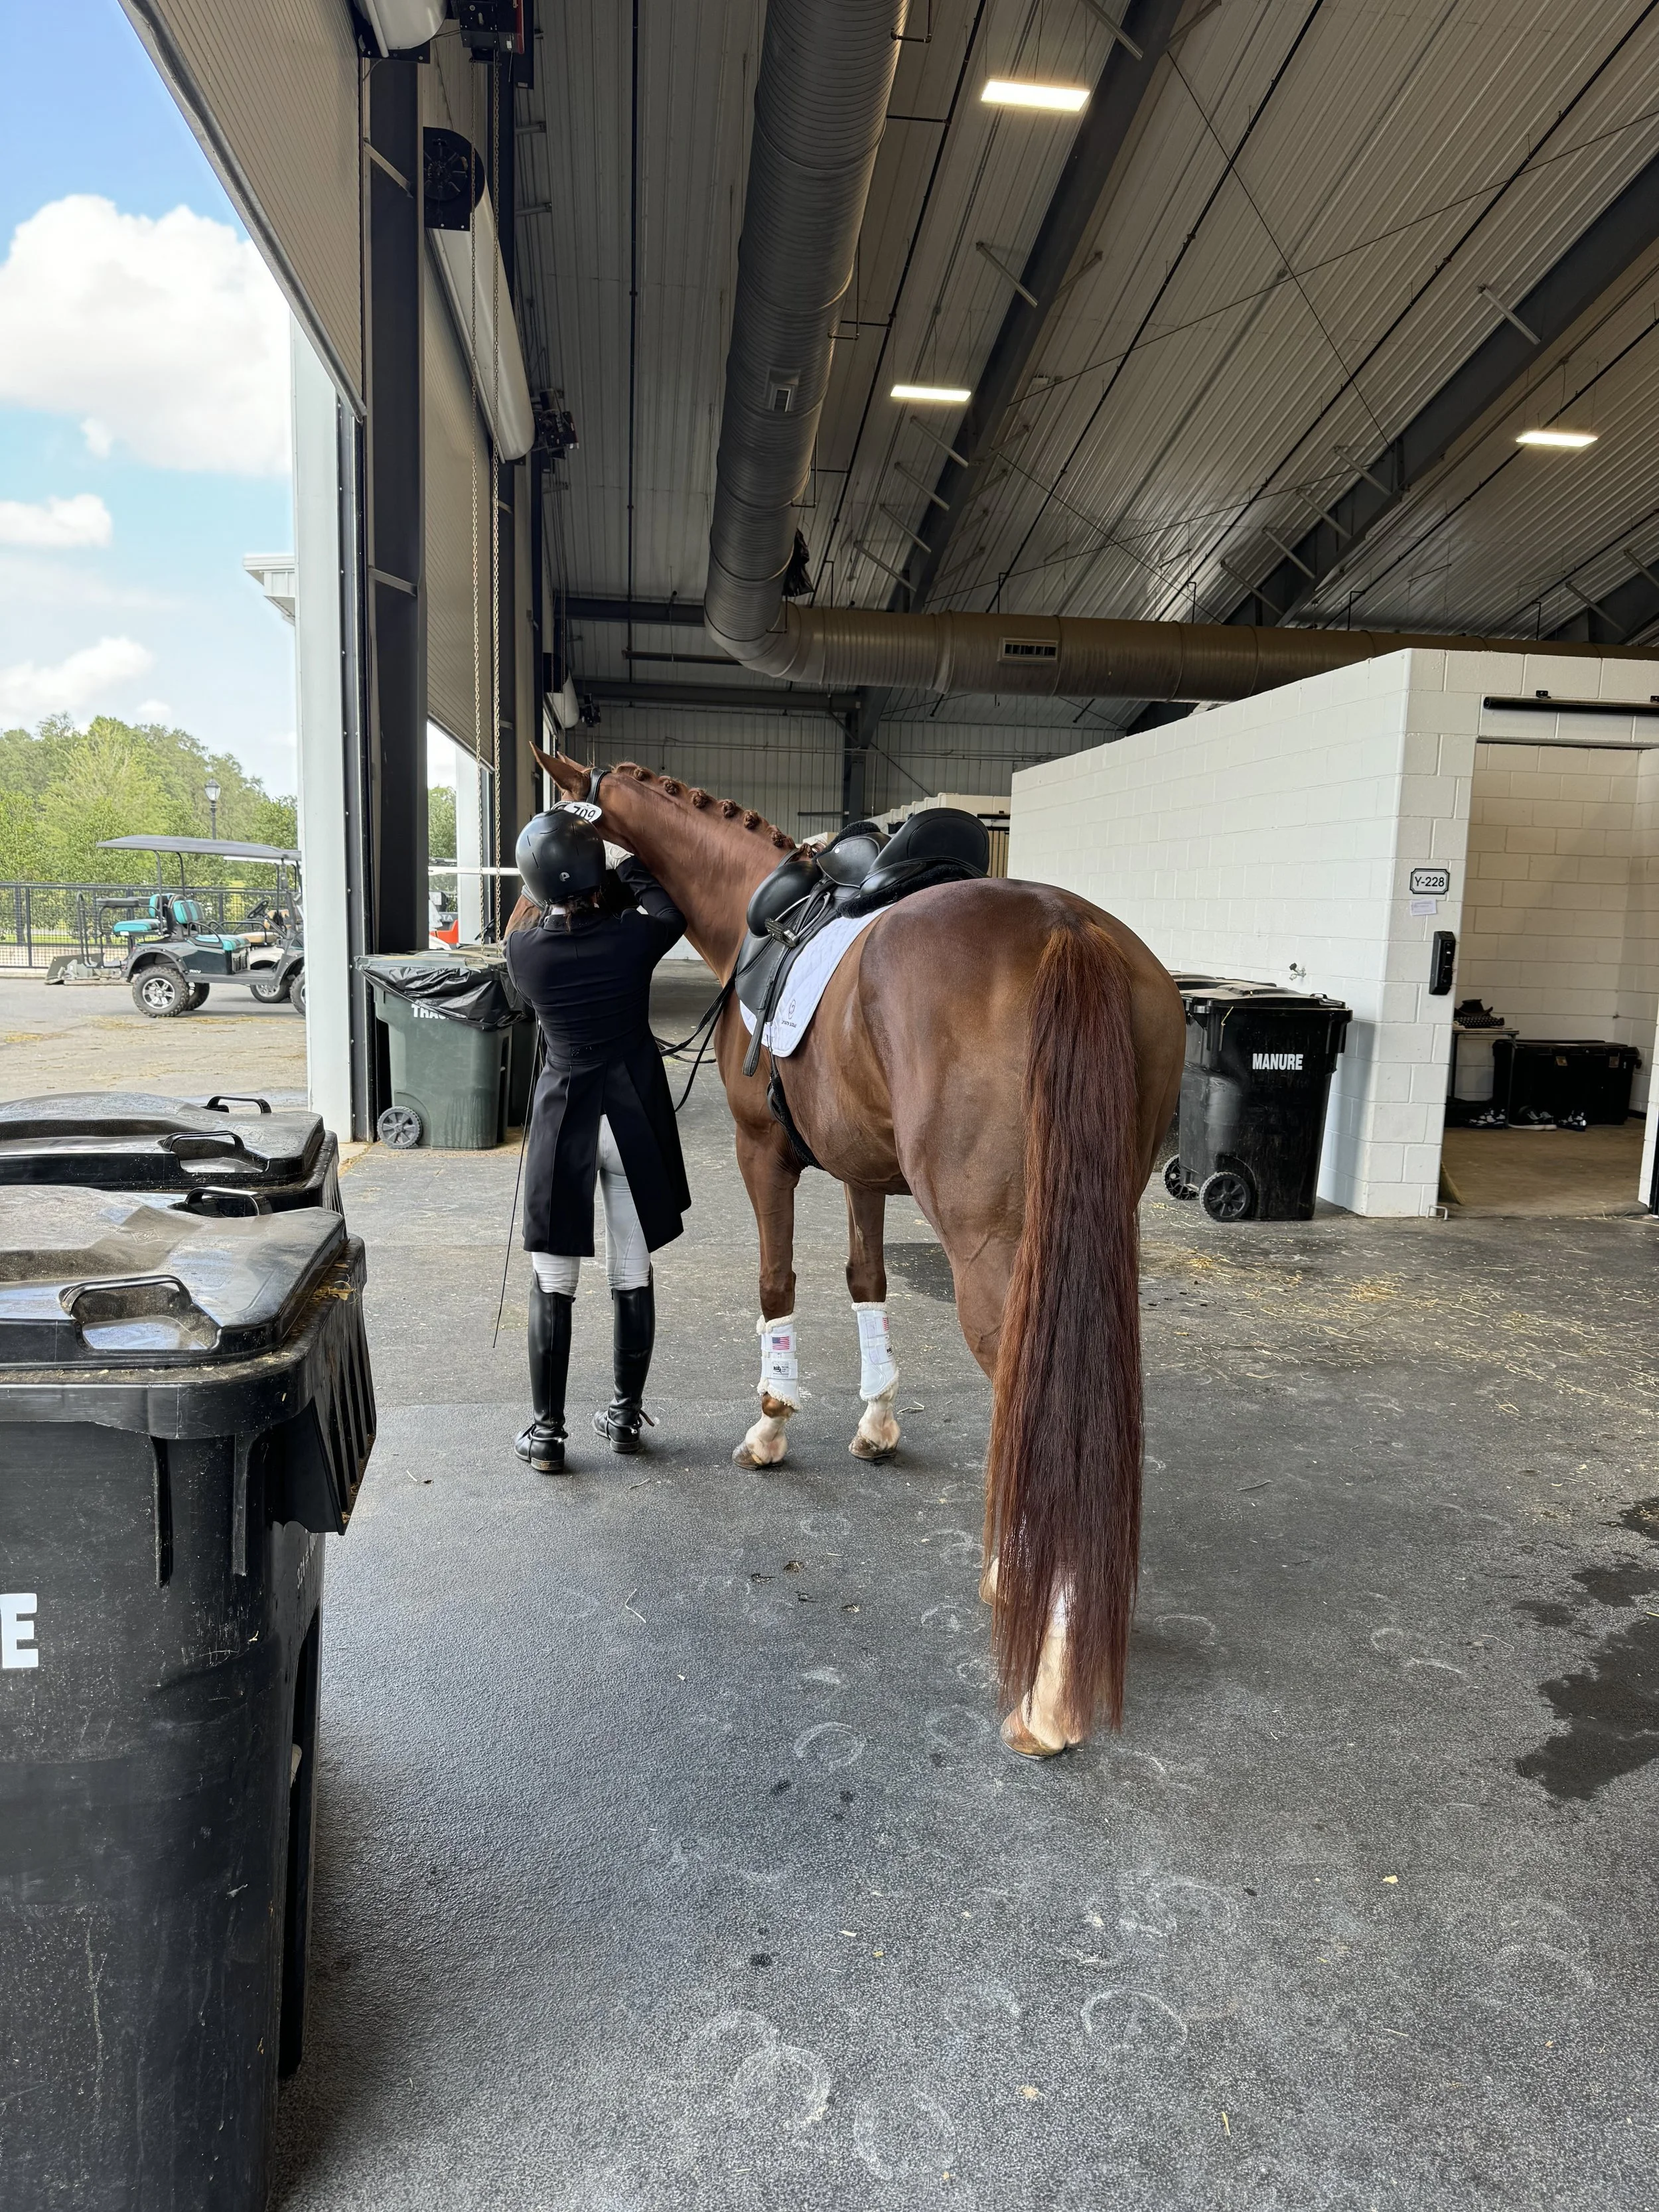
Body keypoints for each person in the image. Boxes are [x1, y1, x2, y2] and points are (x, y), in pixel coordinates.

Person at [504, 802, 692, 1473]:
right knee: (631, 1272)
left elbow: (533, 918)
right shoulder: (633, 938)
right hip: (632, 1123)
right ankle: (623, 1420)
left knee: (552, 1280)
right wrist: (623, 857)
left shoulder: (523, 953)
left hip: (567, 1128)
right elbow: (669, 911)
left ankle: (547, 1433)